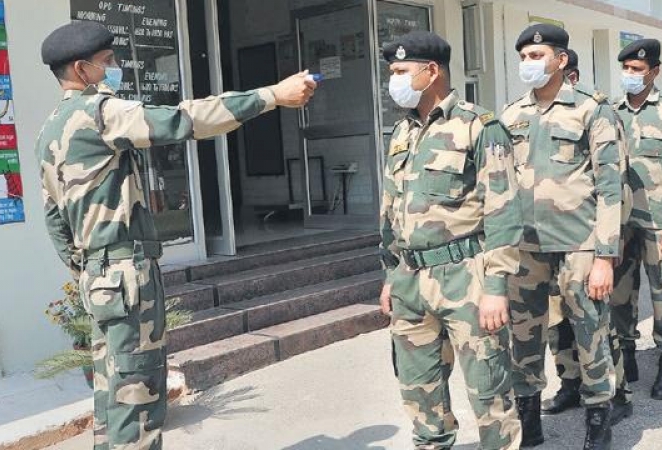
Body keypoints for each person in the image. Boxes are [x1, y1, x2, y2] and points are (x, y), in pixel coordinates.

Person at [36, 21, 315, 450]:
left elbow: (55, 219)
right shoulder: (100, 112)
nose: (116, 68)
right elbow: (184, 120)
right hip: (126, 274)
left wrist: (92, 268)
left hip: (99, 277)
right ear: (82, 69)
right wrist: (272, 95)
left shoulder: (50, 129)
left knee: (112, 396)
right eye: (108, 61)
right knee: (138, 396)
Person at [377, 30, 523, 450]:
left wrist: (496, 286)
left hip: (465, 276)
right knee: (419, 393)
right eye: (392, 72)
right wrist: (390, 275)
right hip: (409, 280)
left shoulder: (480, 126)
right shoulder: (402, 133)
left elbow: (503, 211)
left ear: (431, 71)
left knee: (489, 391)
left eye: (401, 71)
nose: (394, 81)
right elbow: (391, 212)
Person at [502, 24, 624, 449]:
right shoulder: (511, 115)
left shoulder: (592, 109)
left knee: (590, 332)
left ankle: (599, 421)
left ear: (561, 59)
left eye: (536, 56)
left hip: (579, 245)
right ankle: (529, 422)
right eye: (523, 57)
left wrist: (605, 256)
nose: (528, 63)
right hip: (525, 247)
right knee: (524, 336)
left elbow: (610, 187)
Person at [542, 48, 634, 428]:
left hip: (586, 238)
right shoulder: (534, 116)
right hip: (546, 240)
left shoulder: (598, 114)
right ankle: (569, 382)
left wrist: (608, 247)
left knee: (597, 324)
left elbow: (615, 183)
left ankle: (618, 392)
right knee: (556, 322)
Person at [610, 38, 662, 400]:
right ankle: (626, 354)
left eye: (637, 69)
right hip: (619, 221)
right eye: (626, 68)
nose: (630, 74)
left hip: (659, 221)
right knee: (619, 291)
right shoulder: (611, 111)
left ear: (655, 72)